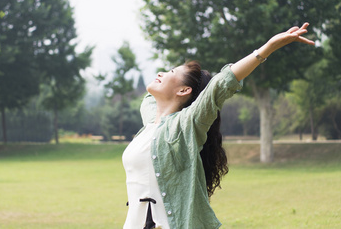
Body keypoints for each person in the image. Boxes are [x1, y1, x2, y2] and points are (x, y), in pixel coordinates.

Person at [122, 23, 315, 229]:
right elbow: (150, 99)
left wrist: (266, 48)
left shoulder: (187, 124)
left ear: (184, 90)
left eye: (170, 71)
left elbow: (221, 84)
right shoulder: (151, 120)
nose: (160, 72)